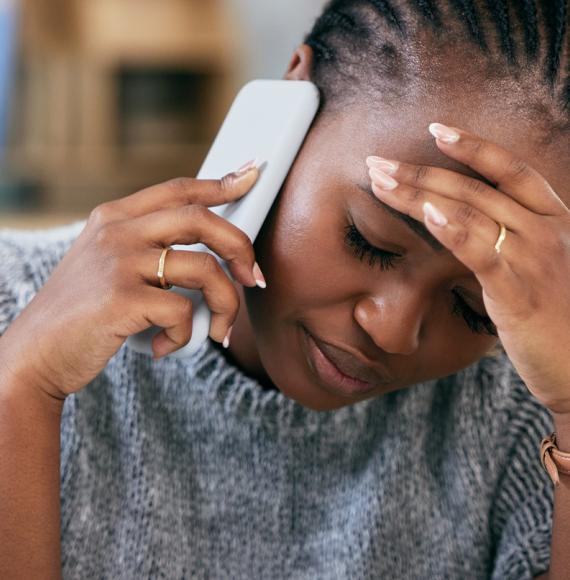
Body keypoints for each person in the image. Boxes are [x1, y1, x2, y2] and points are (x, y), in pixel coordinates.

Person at [0, 0, 569, 578]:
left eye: (475, 310)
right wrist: (21, 388)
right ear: (289, 103)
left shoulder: (533, 418)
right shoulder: (13, 309)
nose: (393, 332)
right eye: (370, 241)